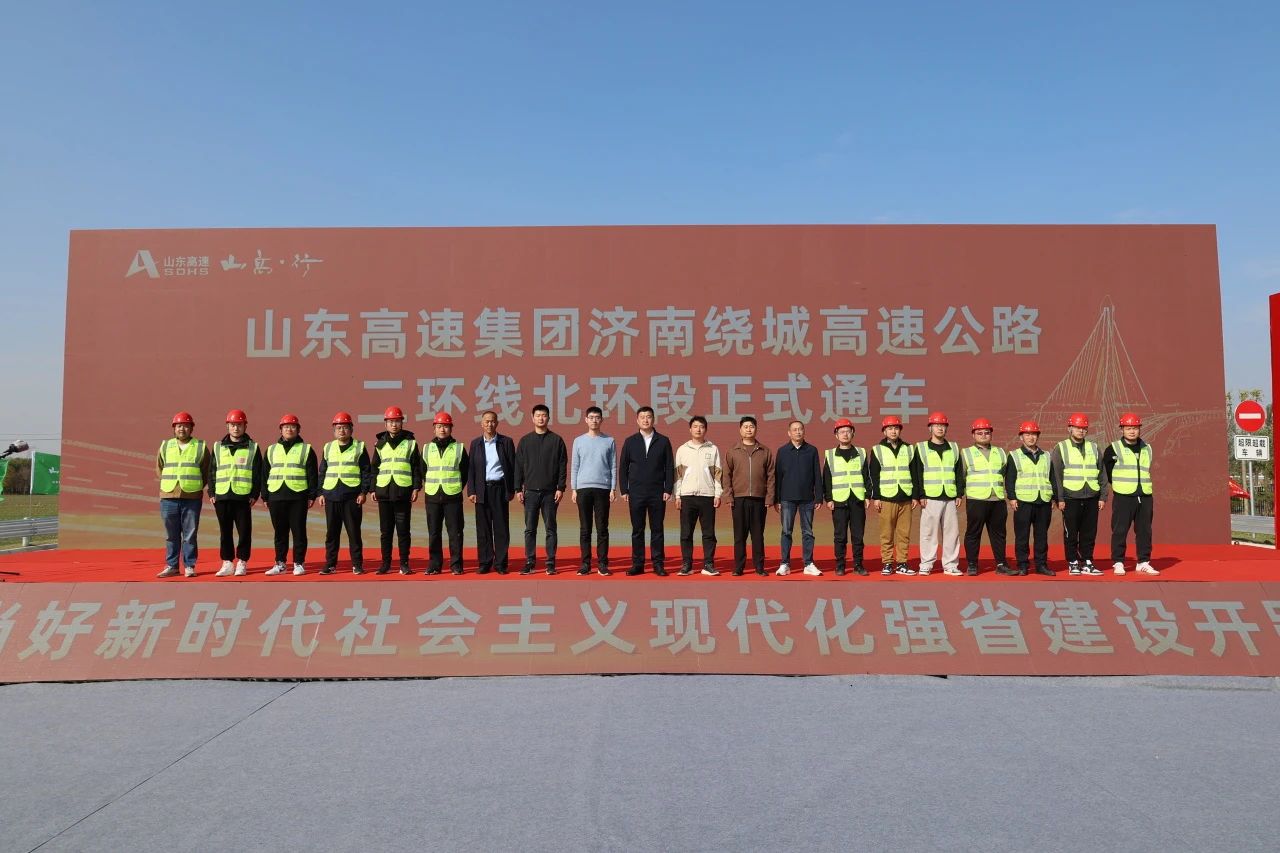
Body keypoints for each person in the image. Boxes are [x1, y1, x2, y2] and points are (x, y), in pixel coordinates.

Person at [619, 406, 675, 576]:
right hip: (636, 492)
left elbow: (669, 467)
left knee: (657, 529)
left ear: (653, 419)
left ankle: (658, 564)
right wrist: (624, 489)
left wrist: (668, 489)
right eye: (642, 417)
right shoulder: (630, 441)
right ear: (637, 420)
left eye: (648, 416)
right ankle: (638, 564)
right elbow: (623, 467)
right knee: (637, 530)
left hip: (657, 492)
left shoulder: (663, 441)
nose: (645, 420)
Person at [1051, 413, 1107, 576]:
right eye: (1077, 427)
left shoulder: (1094, 447)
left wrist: (1103, 496)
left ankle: (1087, 561)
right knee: (1071, 532)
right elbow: (1056, 475)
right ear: (1070, 428)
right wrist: (1059, 498)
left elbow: (1102, 472)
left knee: (1089, 532)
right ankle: (1073, 562)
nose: (1081, 431)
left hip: (1091, 496)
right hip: (1070, 497)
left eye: (1084, 428)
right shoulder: (1061, 448)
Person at [156, 411, 210, 578]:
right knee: (171, 535)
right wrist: (170, 485)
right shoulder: (166, 446)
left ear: (191, 428)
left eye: (186, 426)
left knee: (190, 534)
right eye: (179, 426)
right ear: (174, 428)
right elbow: (160, 468)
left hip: (191, 497)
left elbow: (206, 471)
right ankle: (172, 566)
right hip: (168, 497)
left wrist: (194, 486)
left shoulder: (200, 446)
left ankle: (189, 565)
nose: (182, 429)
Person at [514, 404, 567, 575]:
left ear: (548, 418)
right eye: (538, 415)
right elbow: (518, 466)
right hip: (530, 492)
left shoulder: (556, 440)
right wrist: (518, 488)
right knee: (530, 529)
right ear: (532, 418)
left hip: (550, 493)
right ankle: (530, 561)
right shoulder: (525, 441)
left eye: (544, 415)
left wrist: (560, 488)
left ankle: (550, 562)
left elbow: (562, 465)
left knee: (550, 528)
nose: (541, 418)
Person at [263, 414, 317, 576]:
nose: (289, 429)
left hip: (298, 496)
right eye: (286, 427)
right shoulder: (271, 450)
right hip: (276, 495)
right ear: (280, 430)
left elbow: (312, 474)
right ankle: (280, 564)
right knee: (279, 533)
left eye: (293, 426)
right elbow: (264, 474)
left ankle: (299, 563)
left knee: (299, 531)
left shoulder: (306, 449)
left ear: (298, 430)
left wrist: (311, 495)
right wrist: (265, 496)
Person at [317, 411, 371, 575]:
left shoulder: (359, 447)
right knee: (331, 534)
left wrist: (363, 492)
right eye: (339, 427)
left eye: (345, 427)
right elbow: (322, 472)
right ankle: (330, 564)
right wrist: (321, 493)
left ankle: (357, 564)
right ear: (334, 430)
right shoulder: (328, 447)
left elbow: (366, 471)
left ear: (351, 429)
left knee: (354, 532)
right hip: (331, 495)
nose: (342, 431)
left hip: (351, 497)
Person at [370, 405, 422, 575]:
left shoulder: (410, 443)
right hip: (384, 492)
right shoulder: (379, 444)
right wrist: (372, 489)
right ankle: (385, 564)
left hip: (403, 492)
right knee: (385, 532)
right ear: (385, 424)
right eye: (391, 422)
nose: (394, 425)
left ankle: (404, 564)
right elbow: (374, 469)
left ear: (402, 423)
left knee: (403, 531)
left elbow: (416, 468)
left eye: (397, 421)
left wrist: (416, 487)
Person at [1104, 412, 1158, 575]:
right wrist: (1121, 485)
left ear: (1139, 429)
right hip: (1123, 496)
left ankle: (1143, 561)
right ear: (1122, 429)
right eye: (1128, 428)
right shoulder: (1113, 448)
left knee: (1144, 531)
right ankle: (1118, 562)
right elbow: (1108, 471)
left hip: (1145, 495)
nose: (1132, 431)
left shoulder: (1147, 448)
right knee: (1120, 530)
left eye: (1135, 428)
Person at [211, 409, 262, 578]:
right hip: (222, 495)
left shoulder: (253, 447)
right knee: (225, 532)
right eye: (233, 425)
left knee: (244, 531)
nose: (236, 428)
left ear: (245, 426)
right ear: (227, 426)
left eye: (239, 425)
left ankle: (242, 561)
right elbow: (212, 471)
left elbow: (257, 473)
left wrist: (254, 494)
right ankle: (227, 562)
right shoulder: (218, 447)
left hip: (243, 496)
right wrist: (212, 492)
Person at [722, 416, 775, 576]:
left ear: (756, 429)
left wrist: (769, 497)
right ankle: (739, 567)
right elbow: (726, 475)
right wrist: (728, 496)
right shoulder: (733, 451)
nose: (749, 429)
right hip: (739, 499)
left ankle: (759, 567)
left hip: (759, 499)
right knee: (739, 536)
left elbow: (771, 476)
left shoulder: (765, 451)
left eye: (751, 426)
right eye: (745, 427)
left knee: (758, 536)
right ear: (740, 430)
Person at [913, 411, 964, 576]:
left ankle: (950, 565)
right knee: (928, 532)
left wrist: (959, 493)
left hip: (950, 496)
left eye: (943, 425)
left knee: (952, 533)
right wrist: (920, 495)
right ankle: (926, 564)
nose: (940, 428)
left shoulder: (954, 448)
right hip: (930, 497)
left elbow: (958, 472)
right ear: (930, 428)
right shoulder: (921, 448)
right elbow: (917, 473)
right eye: (936, 425)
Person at [466, 410, 516, 575]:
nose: (490, 424)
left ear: (497, 423)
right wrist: (471, 490)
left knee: (501, 528)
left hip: (500, 489)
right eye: (486, 421)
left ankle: (501, 563)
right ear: (481, 423)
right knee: (483, 529)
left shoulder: (506, 442)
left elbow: (513, 467)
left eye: (493, 421)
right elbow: (471, 469)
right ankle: (485, 562)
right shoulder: (475, 444)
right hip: (482, 489)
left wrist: (512, 489)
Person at [961, 418, 1011, 576]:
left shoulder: (1000, 452)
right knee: (973, 533)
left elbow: (1005, 474)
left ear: (991, 434)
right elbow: (961, 476)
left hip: (997, 499)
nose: (983, 435)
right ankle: (972, 564)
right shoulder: (966, 453)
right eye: (979, 433)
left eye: (986, 432)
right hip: (976, 499)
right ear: (973, 435)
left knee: (999, 534)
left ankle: (1001, 564)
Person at [674, 415, 723, 576]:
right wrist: (678, 496)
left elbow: (718, 474)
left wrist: (717, 494)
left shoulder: (712, 449)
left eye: (701, 426)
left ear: (705, 429)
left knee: (709, 533)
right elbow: (678, 475)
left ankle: (708, 564)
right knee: (686, 533)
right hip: (687, 496)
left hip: (707, 496)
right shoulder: (682, 449)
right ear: (690, 429)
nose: (698, 429)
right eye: (695, 426)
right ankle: (687, 565)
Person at [869, 415, 918, 576]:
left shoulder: (909, 449)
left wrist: (915, 496)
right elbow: (874, 475)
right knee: (887, 533)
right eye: (889, 428)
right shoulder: (877, 450)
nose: (893, 431)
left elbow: (914, 473)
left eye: (896, 428)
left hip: (905, 496)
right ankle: (887, 563)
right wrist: (876, 497)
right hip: (886, 497)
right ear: (884, 431)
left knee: (904, 533)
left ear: (900, 430)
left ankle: (902, 563)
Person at [1006, 420, 1056, 576]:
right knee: (1022, 535)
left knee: (1041, 536)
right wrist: (1012, 497)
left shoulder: (1046, 456)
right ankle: (1022, 565)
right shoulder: (1015, 456)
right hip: (1023, 501)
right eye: (1027, 434)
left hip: (1043, 501)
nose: (1031, 437)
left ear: (1038, 436)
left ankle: (1041, 565)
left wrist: (1053, 497)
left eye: (1034, 434)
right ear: (1021, 437)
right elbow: (1010, 479)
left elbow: (1051, 477)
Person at [571, 406, 616, 576]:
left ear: (601, 420)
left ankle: (602, 564)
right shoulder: (578, 441)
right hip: (583, 488)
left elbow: (613, 466)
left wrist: (613, 488)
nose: (594, 420)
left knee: (602, 528)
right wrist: (574, 488)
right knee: (585, 528)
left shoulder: (609, 440)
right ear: (586, 420)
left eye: (597, 417)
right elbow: (575, 466)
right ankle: (585, 564)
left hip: (603, 488)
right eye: (591, 417)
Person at [774, 420, 822, 576]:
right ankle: (785, 564)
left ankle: (808, 563)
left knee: (808, 532)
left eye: (800, 429)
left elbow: (817, 474)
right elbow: (778, 476)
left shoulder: (812, 450)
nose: (798, 432)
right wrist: (777, 499)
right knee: (786, 532)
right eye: (794, 430)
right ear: (789, 433)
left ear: (804, 431)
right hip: (787, 498)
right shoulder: (782, 451)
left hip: (807, 499)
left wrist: (818, 497)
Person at [423, 411, 468, 575]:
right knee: (434, 533)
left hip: (452, 497)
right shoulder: (427, 448)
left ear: (451, 428)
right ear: (434, 428)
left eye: (446, 426)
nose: (442, 429)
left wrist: (454, 487)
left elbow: (465, 472)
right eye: (439, 426)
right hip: (432, 496)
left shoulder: (459, 448)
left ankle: (456, 565)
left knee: (455, 532)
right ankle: (435, 565)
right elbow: (423, 471)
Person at [823, 417, 869, 576]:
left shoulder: (861, 452)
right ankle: (840, 565)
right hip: (839, 500)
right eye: (841, 432)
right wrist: (829, 498)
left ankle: (858, 564)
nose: (845, 434)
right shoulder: (830, 454)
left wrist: (867, 495)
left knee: (858, 535)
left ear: (853, 433)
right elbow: (827, 478)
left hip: (857, 499)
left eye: (848, 431)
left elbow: (866, 475)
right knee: (840, 535)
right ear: (836, 435)